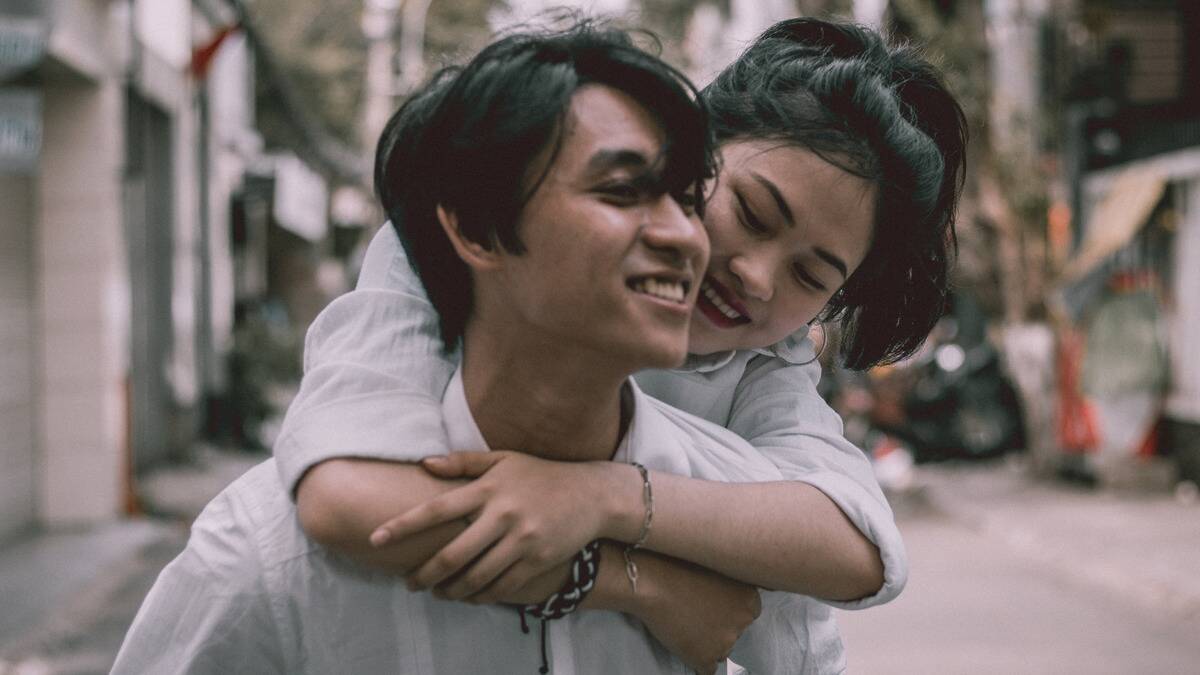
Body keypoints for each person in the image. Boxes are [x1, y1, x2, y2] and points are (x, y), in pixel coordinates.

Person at [113, 21, 845, 674]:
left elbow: (859, 554)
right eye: (623, 192)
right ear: (476, 228)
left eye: (688, 199)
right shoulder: (270, 560)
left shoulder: (733, 527)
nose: (685, 238)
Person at [281, 14, 966, 664]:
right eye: (751, 214)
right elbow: (346, 495)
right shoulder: (459, 241)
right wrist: (643, 583)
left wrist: (601, 496)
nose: (756, 277)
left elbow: (860, 548)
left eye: (810, 276)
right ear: (691, 151)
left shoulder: (763, 357)